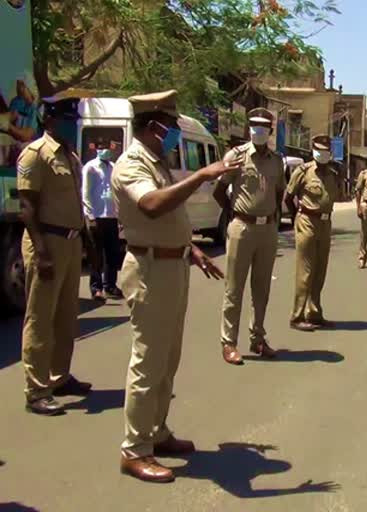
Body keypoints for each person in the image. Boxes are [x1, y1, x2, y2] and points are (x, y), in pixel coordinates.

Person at [112, 90, 240, 483]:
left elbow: (167, 221)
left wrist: (191, 250)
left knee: (168, 359)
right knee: (148, 362)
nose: (174, 134)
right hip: (149, 271)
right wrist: (204, 173)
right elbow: (151, 205)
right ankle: (134, 450)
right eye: (170, 126)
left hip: (173, 264)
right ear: (153, 127)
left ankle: (158, 432)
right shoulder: (131, 163)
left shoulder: (158, 161)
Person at [16, 96, 92, 416]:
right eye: (65, 120)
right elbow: (26, 206)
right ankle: (36, 390)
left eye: (73, 121)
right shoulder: (36, 154)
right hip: (46, 241)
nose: (70, 126)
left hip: (71, 242)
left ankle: (59, 377)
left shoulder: (71, 156)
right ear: (49, 121)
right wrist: (42, 252)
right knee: (40, 317)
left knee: (65, 315)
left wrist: (86, 239)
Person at [214, 108, 284, 366]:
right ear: (248, 129)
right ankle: (229, 343)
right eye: (254, 127)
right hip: (242, 227)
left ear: (270, 132)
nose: (259, 131)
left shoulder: (277, 161)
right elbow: (219, 190)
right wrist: (235, 214)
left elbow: (279, 193)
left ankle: (258, 338)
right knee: (234, 288)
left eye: (264, 128)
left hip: (267, 230)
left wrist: (271, 218)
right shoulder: (237, 155)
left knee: (262, 288)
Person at [285, 135, 341, 332]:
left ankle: (315, 312)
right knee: (305, 271)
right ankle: (297, 315)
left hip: (326, 224)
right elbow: (288, 196)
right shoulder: (303, 171)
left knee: (320, 270)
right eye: (319, 150)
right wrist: (296, 218)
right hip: (307, 221)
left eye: (326, 151)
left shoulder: (333, 174)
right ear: (313, 150)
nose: (322, 154)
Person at [82, 140, 123, 301]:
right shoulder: (90, 167)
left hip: (111, 216)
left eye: (107, 147)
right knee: (96, 255)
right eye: (101, 148)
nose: (104, 150)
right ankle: (96, 288)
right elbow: (85, 193)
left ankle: (110, 286)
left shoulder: (113, 167)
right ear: (97, 150)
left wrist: (120, 216)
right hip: (96, 217)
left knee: (113, 254)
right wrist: (90, 217)